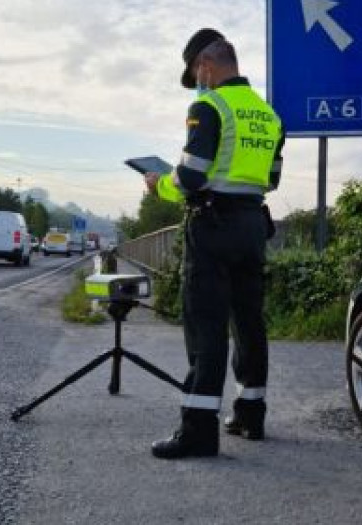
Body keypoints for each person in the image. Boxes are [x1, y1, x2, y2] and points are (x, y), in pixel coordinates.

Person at [144, 28, 284, 459]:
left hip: (212, 225)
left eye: (196, 72)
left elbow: (190, 177)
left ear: (205, 64)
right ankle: (249, 414)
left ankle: (198, 431)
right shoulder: (268, 115)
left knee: (206, 326)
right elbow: (272, 179)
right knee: (248, 321)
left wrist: (159, 185)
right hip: (253, 226)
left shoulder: (208, 106)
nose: (197, 80)